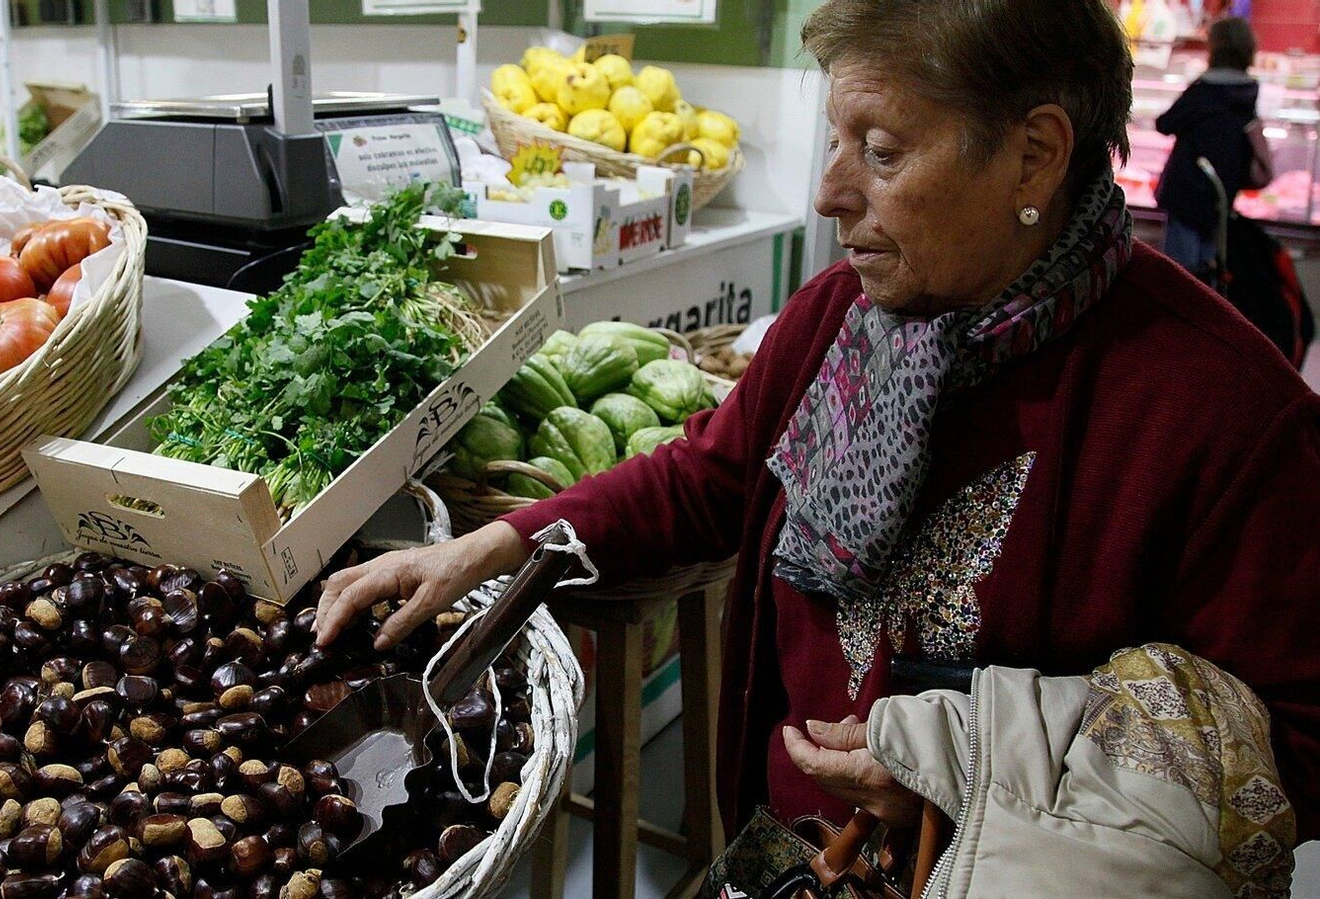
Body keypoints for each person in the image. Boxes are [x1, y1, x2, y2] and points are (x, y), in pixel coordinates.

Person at [318, 0, 1320, 891]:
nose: (830, 192)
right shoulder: (841, 316)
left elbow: (1293, 752)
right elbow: (710, 476)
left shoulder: (1226, 412)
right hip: (786, 851)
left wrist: (972, 764)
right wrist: (498, 546)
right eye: (835, 141)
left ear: (1034, 155)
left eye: (880, 152)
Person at [1156, 16, 1262, 276]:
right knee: (1210, 273)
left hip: (1188, 192)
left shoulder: (1204, 91)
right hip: (1223, 192)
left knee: (1180, 276)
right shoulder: (1249, 91)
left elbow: (1165, 123)